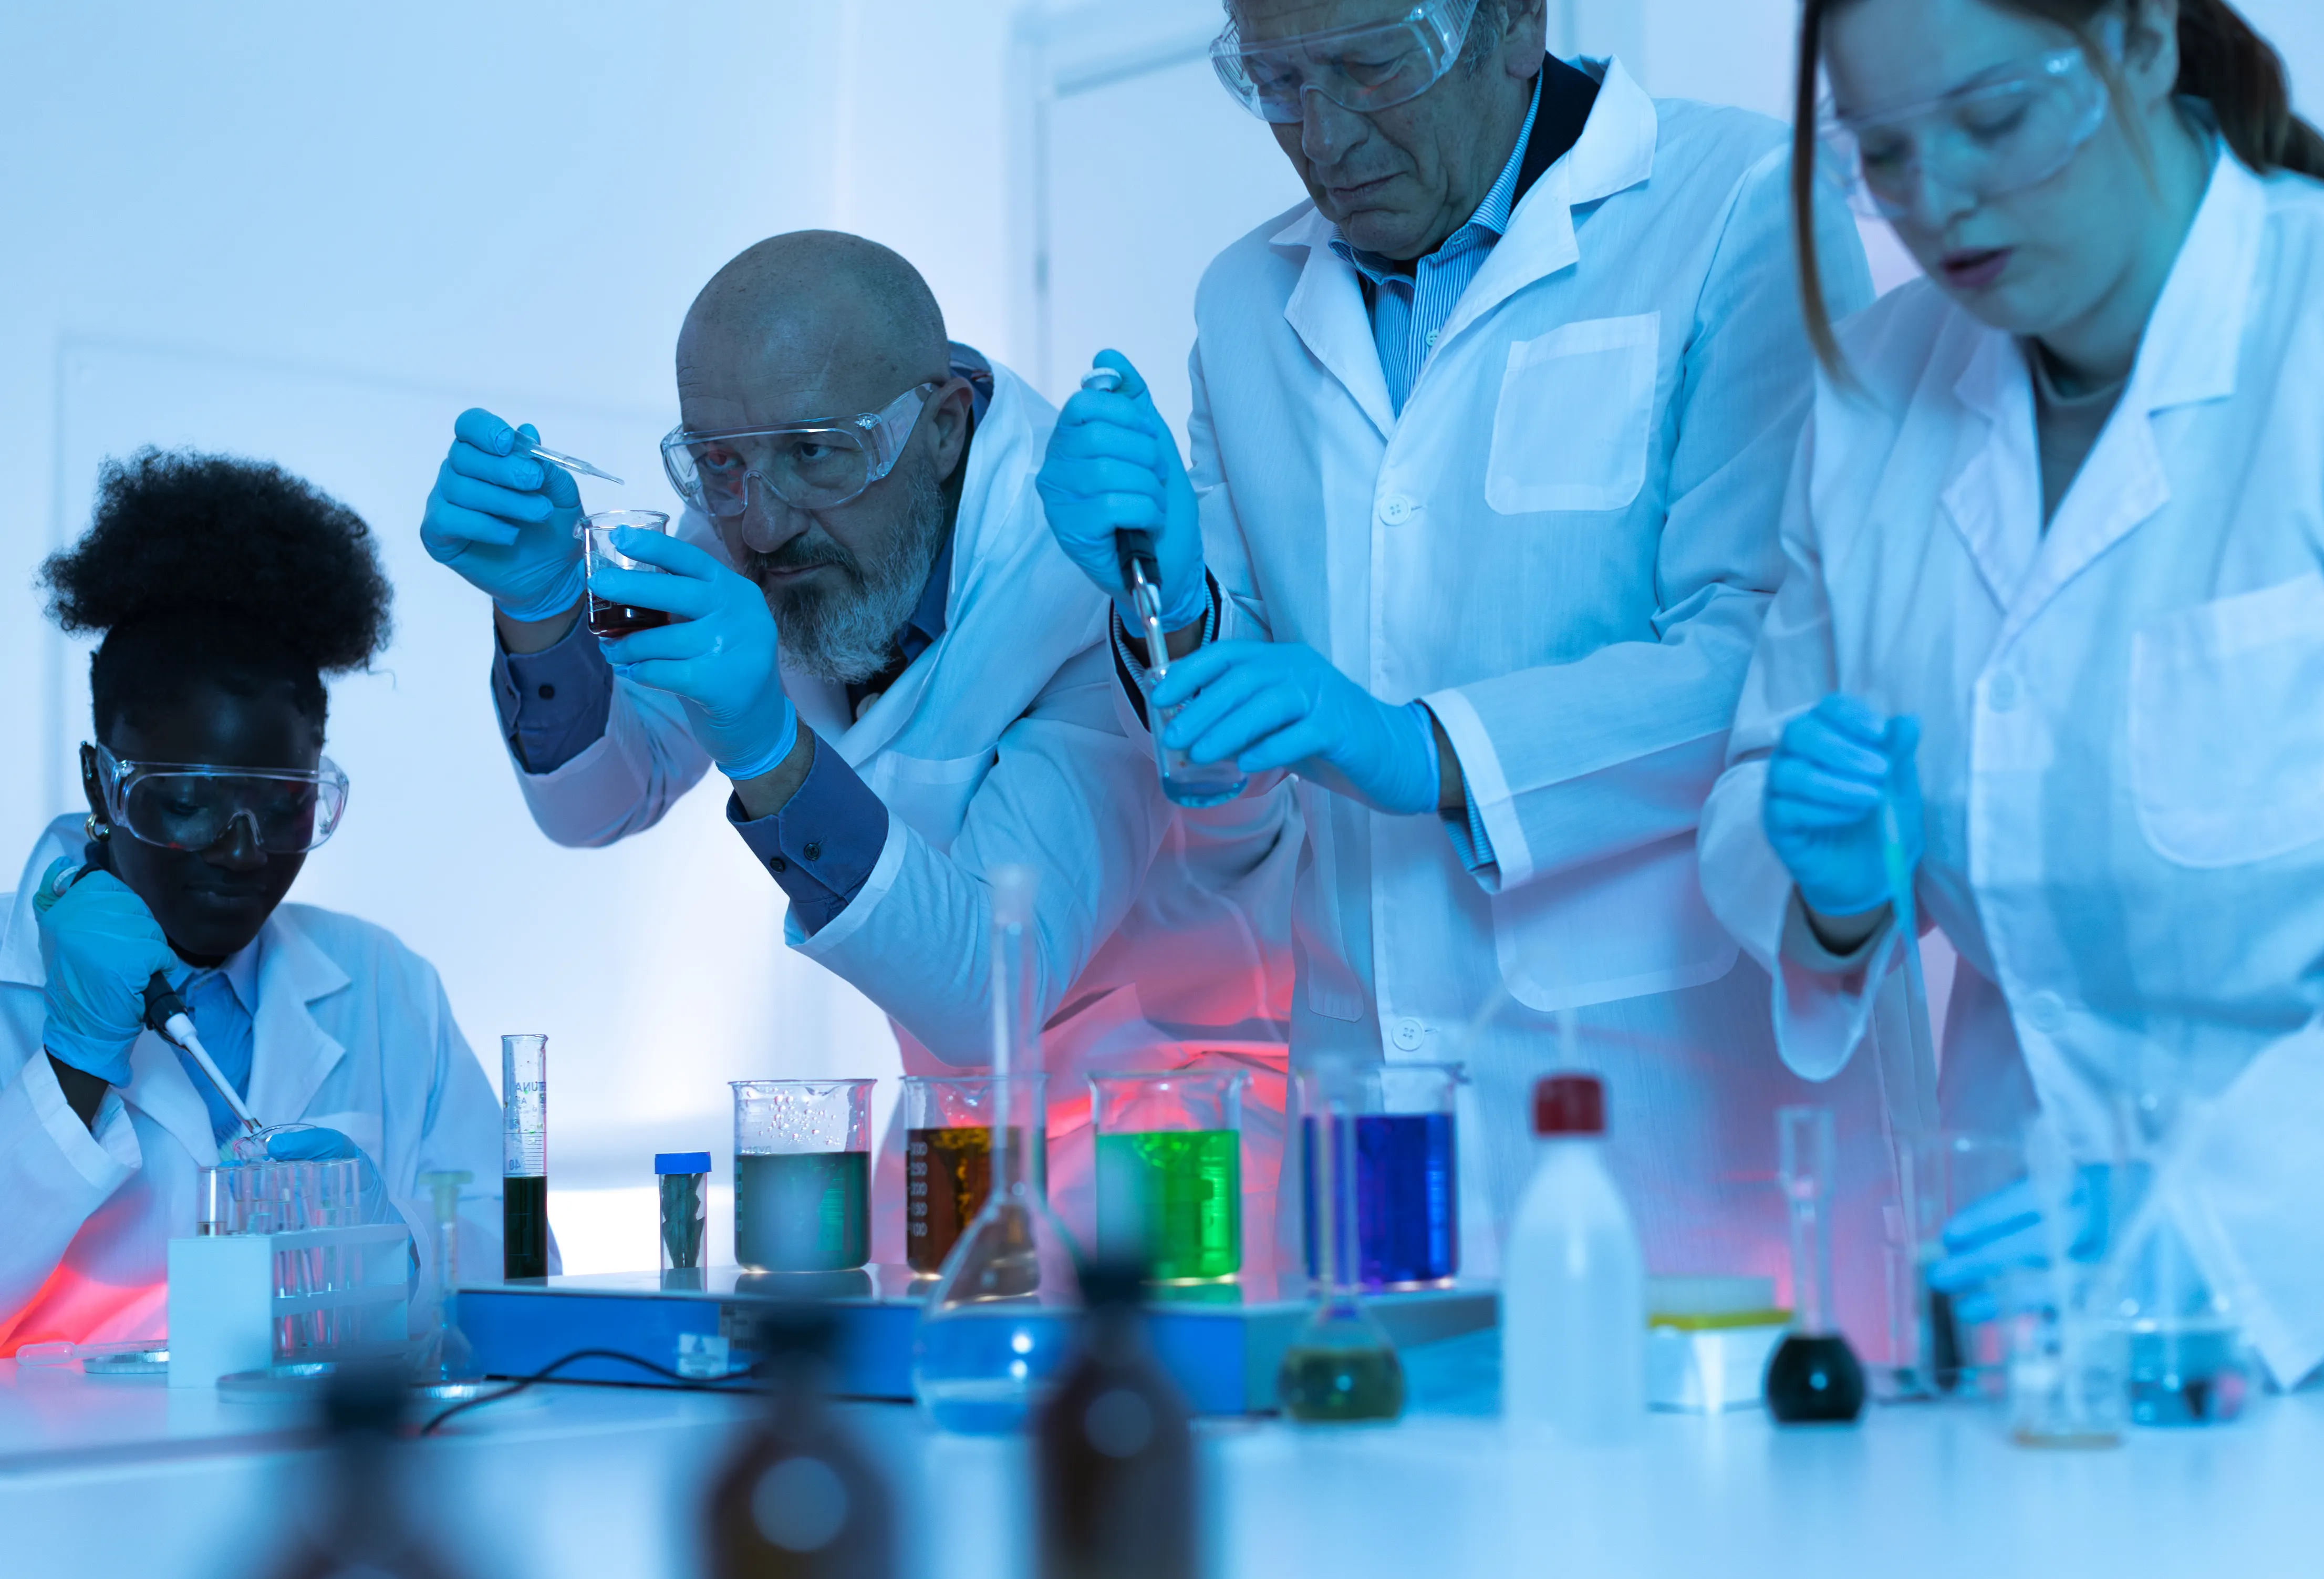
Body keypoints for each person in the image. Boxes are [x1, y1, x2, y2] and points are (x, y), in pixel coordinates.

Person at [1035, 0, 1906, 1310]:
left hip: (1674, 1118)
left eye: (1368, 67)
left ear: (1511, 21)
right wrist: (1163, 596)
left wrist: (1415, 747)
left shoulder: (1735, 207)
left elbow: (1761, 655)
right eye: (1273, 83)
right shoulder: (1244, 298)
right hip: (1367, 1106)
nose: (1318, 136)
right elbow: (1233, 750)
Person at [1695, 0, 2324, 1388]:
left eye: (1992, 122)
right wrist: (1826, 884)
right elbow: (1754, 789)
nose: (1934, 204)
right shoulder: (1880, 389)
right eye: (1880, 156)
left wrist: (2220, 1230)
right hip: (2019, 1327)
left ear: (2138, 39)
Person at [420, 232, 1298, 1266]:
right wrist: (539, 606)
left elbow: (991, 986)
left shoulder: (1082, 579)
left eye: (813, 453)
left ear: (938, 427)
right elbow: (597, 802)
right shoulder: (750, 517)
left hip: (1175, 1147)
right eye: (718, 463)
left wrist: (764, 744)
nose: (765, 520)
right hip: (952, 1136)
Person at [1, 451, 509, 1354]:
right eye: (188, 800)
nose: (242, 850)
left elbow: (517, 1291)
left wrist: (396, 1259)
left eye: (284, 805)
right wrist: (74, 1068)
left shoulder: (386, 988)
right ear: (102, 782)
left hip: (317, 1489)